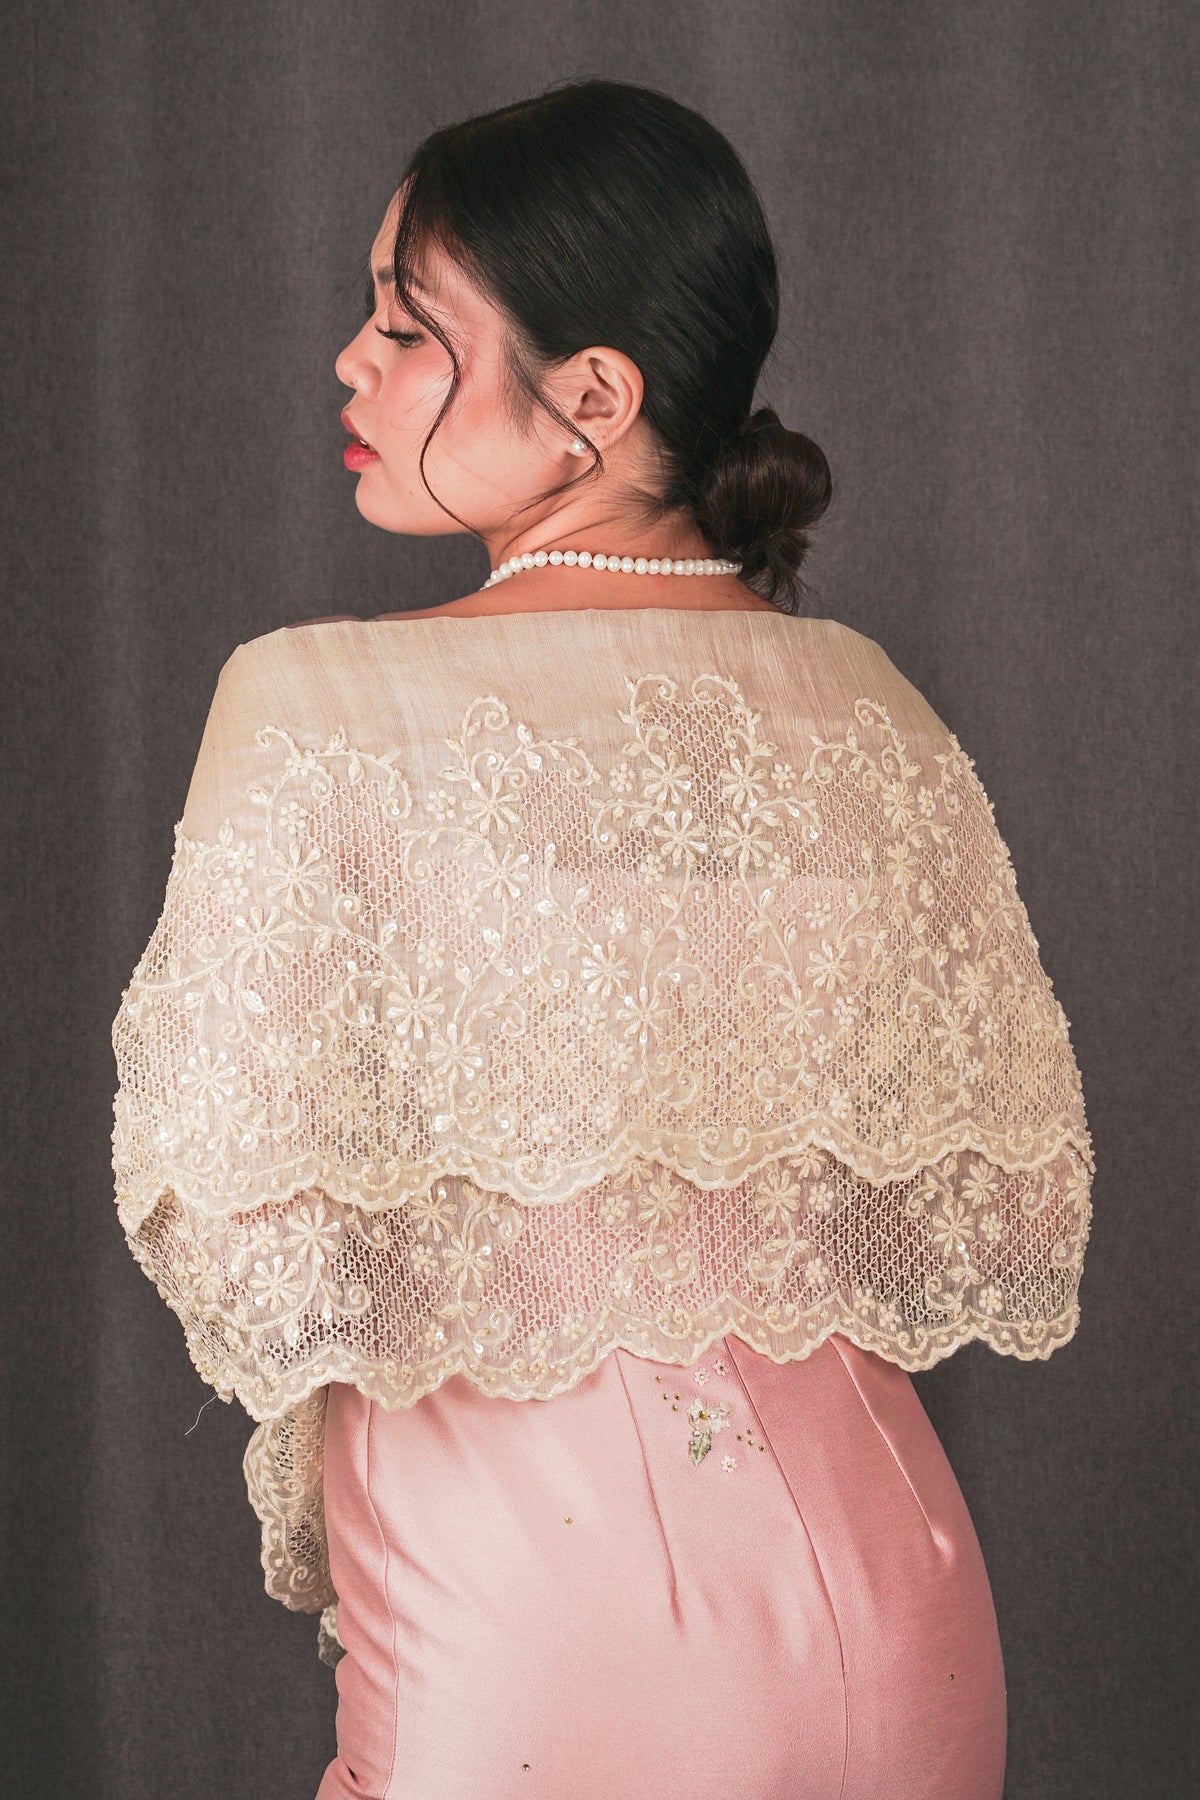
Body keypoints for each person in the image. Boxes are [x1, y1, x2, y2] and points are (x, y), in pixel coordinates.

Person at [111, 80, 1093, 1800]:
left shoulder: (319, 706)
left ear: (594, 399)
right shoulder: (873, 711)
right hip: (904, 1610)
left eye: (406, 328)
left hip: (538, 1632)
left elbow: (245, 1245)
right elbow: (998, 1207)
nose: (350, 362)